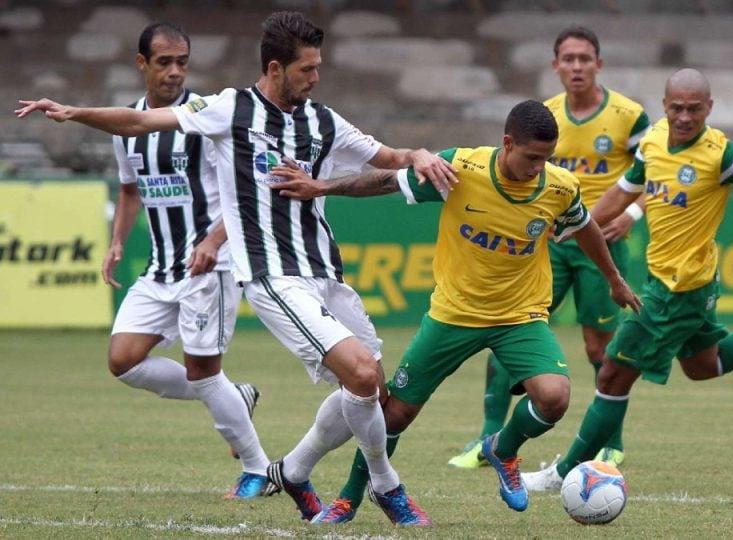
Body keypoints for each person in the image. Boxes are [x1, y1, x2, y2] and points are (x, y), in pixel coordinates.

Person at [17, 11, 458, 526]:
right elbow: (140, 122)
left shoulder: (323, 120)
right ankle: (387, 486)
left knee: (370, 389)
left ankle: (292, 470)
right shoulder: (229, 109)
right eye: (307, 70)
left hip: (324, 270)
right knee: (359, 373)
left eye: (318, 68)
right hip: (272, 275)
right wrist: (72, 112)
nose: (316, 78)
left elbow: (387, 155)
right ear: (275, 67)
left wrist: (421, 155)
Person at [267, 99, 640, 523]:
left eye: (546, 159)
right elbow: (387, 181)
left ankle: (503, 448)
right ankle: (349, 499)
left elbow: (584, 226)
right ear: (507, 143)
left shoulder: (559, 187)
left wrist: (613, 277)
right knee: (395, 414)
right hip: (453, 316)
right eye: (532, 158)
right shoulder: (460, 169)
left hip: (519, 317)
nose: (539, 167)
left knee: (555, 398)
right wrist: (321, 186)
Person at [522, 68, 733, 492]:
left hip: (676, 289)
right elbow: (624, 191)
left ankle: (564, 474)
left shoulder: (721, 154)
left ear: (709, 108)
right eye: (677, 108)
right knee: (704, 365)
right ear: (664, 107)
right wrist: (575, 222)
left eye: (694, 109)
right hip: (680, 284)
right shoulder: (652, 142)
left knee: (611, 374)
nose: (685, 117)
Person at [448, 25, 649, 470]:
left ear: (600, 63)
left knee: (600, 348)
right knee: (507, 332)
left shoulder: (629, 115)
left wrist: (630, 215)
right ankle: (487, 440)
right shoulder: (545, 117)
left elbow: (654, 175)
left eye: (585, 59)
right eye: (569, 59)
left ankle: (607, 441)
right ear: (555, 65)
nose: (577, 67)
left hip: (601, 245)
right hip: (549, 245)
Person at [103, 22, 270, 499]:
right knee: (124, 361)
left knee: (202, 371)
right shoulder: (127, 124)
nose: (175, 71)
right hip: (161, 267)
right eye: (164, 62)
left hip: (209, 266)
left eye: (182, 61)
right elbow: (130, 188)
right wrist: (117, 241)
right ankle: (234, 397)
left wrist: (215, 239)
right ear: (142, 64)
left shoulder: (206, 114)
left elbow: (246, 189)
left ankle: (257, 469)